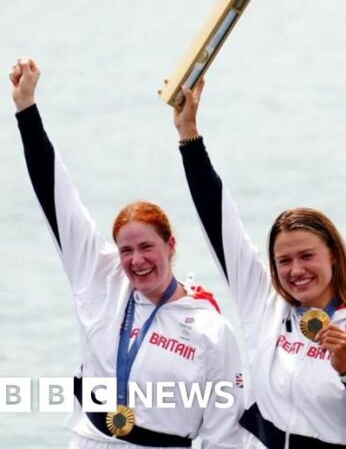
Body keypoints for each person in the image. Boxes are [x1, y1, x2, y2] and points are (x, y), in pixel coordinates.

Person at [169, 78, 346, 449]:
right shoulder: (265, 304)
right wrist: (188, 134)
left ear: (332, 254)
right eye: (284, 261)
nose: (296, 270)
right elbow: (219, 221)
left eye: (307, 256)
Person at [10, 57, 245, 448]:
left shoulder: (210, 330)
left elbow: (226, 434)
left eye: (147, 247)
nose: (136, 260)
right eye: (126, 250)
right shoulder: (101, 277)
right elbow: (58, 199)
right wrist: (26, 108)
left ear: (171, 246)